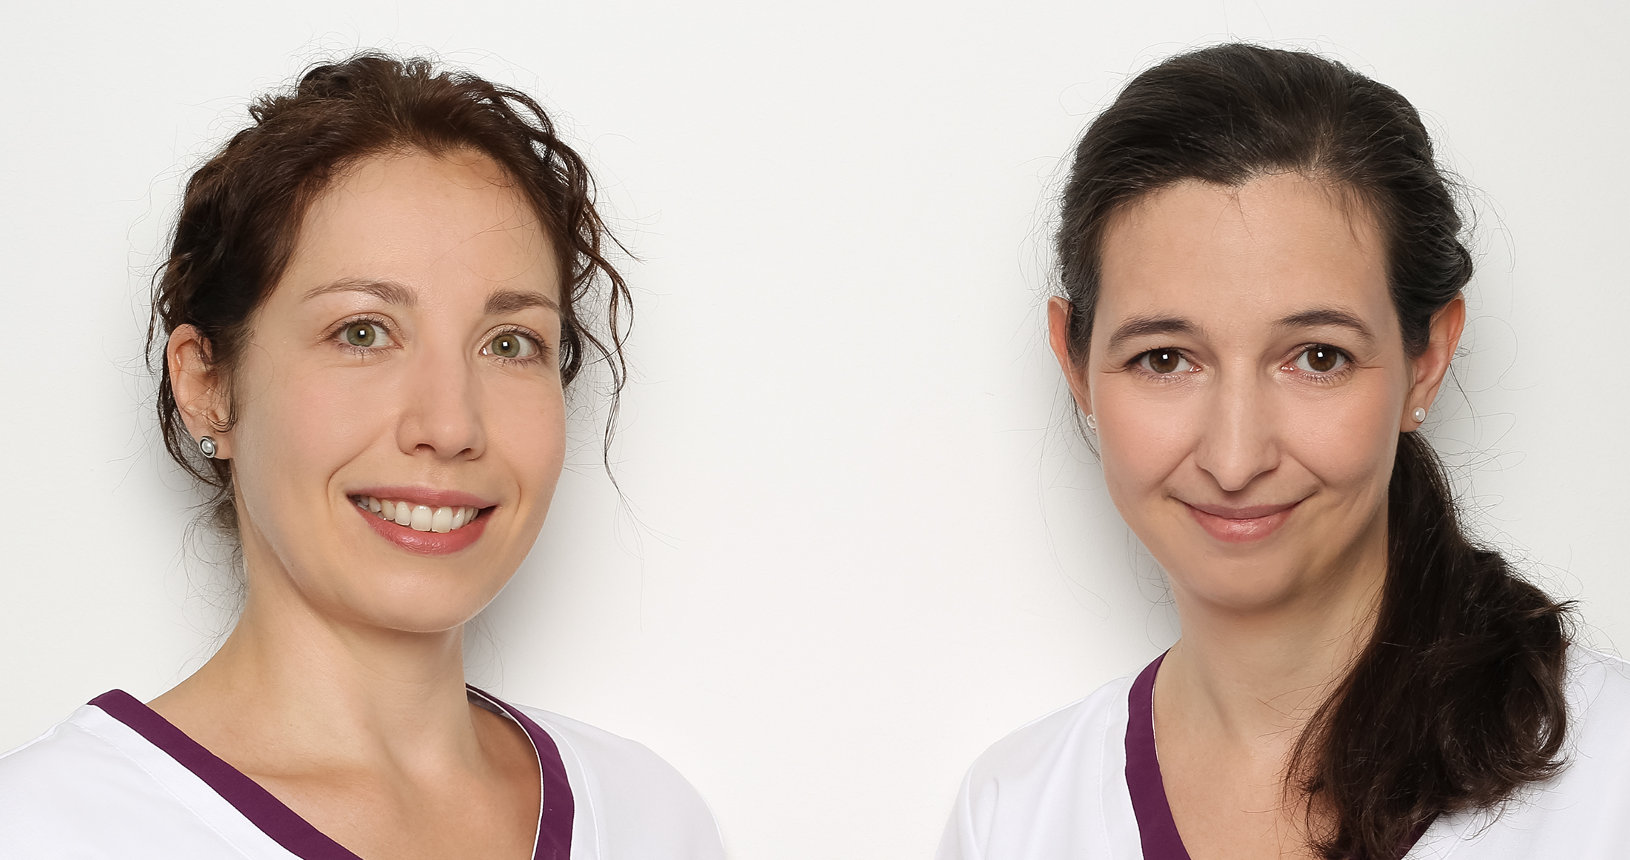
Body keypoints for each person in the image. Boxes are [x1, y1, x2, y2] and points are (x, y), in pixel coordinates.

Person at [0, 54, 724, 859]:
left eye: (509, 342)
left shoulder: (650, 819)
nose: (449, 425)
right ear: (208, 386)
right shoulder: (45, 831)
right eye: (363, 332)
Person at [938, 43, 1630, 860]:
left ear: (1427, 359)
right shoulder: (1013, 816)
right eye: (1165, 359)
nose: (1235, 460)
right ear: (1075, 364)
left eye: (1317, 357)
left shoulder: (1612, 780)